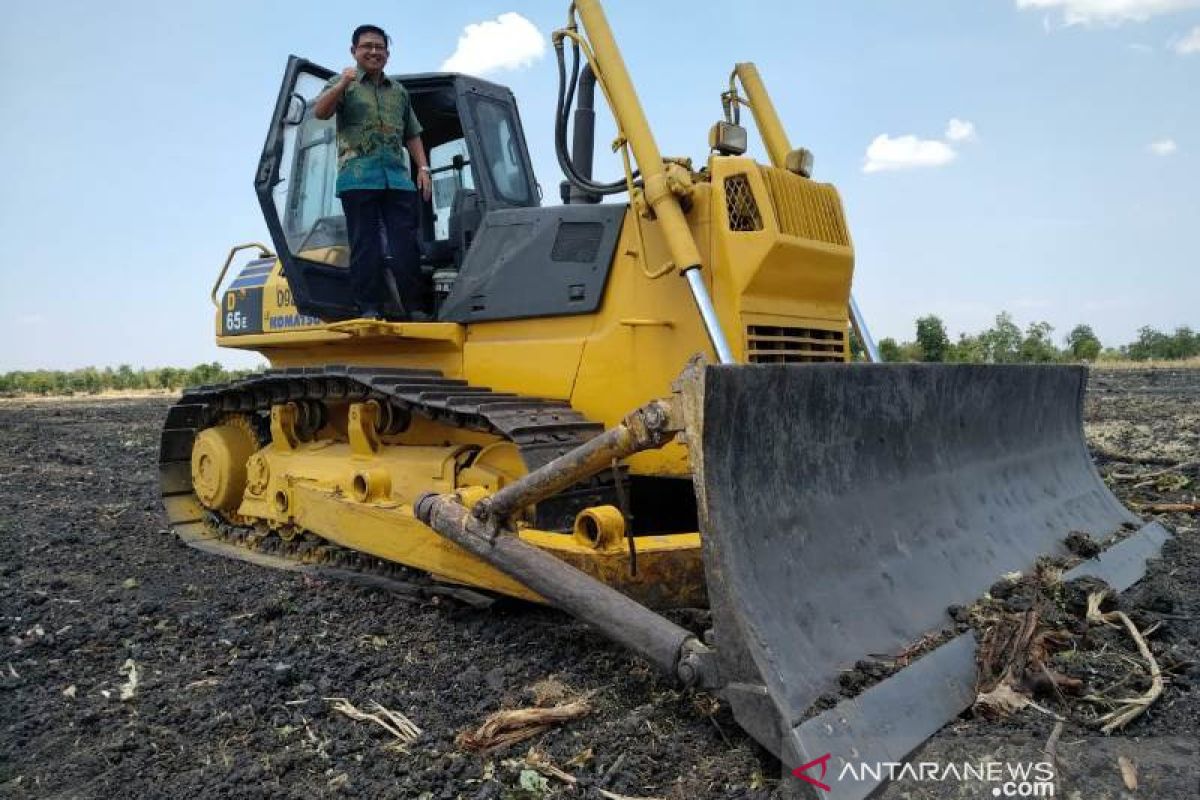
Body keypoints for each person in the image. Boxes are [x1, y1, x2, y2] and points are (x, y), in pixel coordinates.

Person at [314, 24, 432, 320]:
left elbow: (412, 133)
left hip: (396, 179)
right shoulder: (342, 83)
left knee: (405, 244)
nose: (374, 52)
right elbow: (321, 112)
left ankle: (414, 307)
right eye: (367, 46)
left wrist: (423, 168)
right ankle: (369, 308)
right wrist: (342, 83)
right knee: (365, 245)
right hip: (358, 177)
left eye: (379, 47)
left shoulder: (399, 93)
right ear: (354, 51)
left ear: (387, 55)